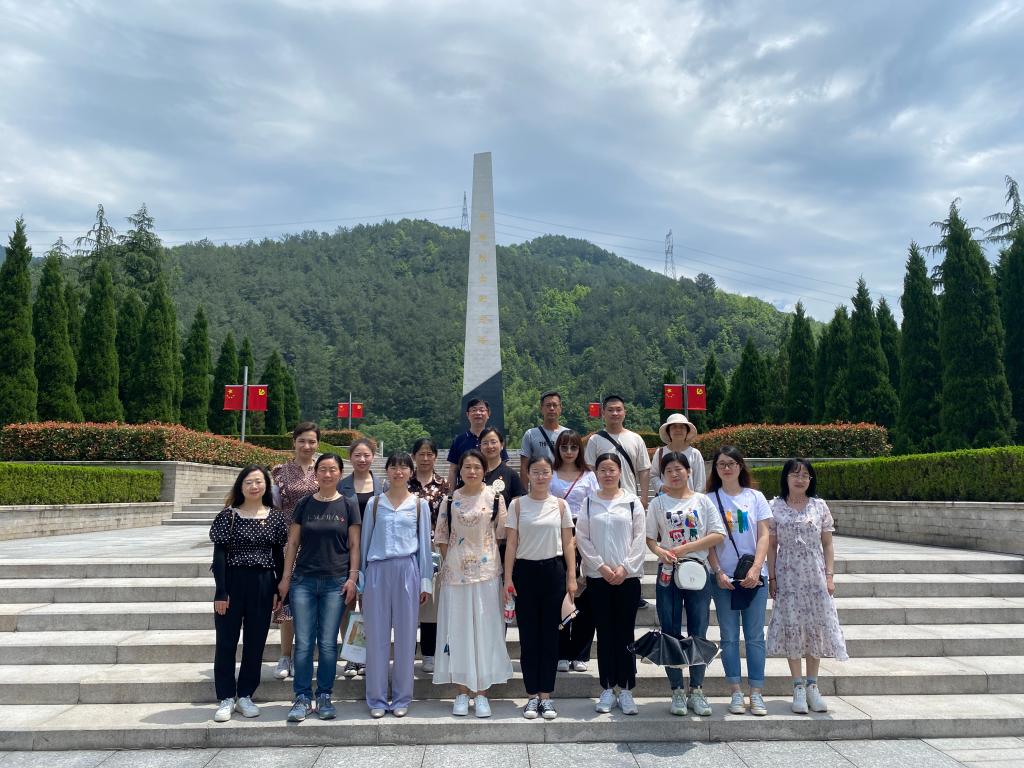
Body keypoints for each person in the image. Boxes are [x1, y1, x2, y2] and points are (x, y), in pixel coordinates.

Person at [278, 453, 361, 722]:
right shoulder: (304, 503)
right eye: (322, 469)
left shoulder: (348, 504)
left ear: (340, 473)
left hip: (335, 582)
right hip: (303, 580)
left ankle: (324, 695)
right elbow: (293, 543)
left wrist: (352, 577)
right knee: (303, 642)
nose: (327, 474)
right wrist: (286, 578)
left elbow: (354, 545)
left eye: (332, 469)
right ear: (316, 473)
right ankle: (302, 697)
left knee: (327, 643)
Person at [433, 449, 513, 717]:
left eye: (477, 467)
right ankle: (461, 691)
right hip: (455, 576)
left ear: (484, 469)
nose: (472, 471)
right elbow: (442, 537)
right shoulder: (450, 499)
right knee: (457, 632)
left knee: (486, 631)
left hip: (487, 574)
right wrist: (455, 561)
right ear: (460, 470)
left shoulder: (495, 498)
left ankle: (481, 693)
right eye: (467, 466)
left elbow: (501, 535)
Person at [645, 451, 725, 716]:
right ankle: (677, 690)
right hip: (668, 572)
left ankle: (697, 690)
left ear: (689, 471)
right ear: (663, 476)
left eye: (679, 469)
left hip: (697, 571)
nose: (674, 474)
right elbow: (650, 539)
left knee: (698, 630)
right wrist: (661, 552)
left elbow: (718, 534)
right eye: (668, 471)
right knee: (669, 631)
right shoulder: (658, 503)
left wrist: (686, 548)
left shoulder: (702, 501)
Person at [767, 459, 848, 714]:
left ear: (811, 480)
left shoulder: (819, 506)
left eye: (805, 475)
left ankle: (813, 685)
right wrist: (772, 578)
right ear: (786, 478)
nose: (800, 479)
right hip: (788, 575)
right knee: (793, 627)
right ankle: (798, 687)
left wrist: (830, 576)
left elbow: (828, 544)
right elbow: (771, 545)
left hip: (815, 574)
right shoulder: (775, 506)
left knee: (816, 628)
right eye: (795, 474)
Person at [209, 465, 288, 723]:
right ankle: (226, 697)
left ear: (266, 485)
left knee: (255, 642)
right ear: (240, 486)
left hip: (263, 584)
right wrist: (221, 592)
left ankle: (245, 695)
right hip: (233, 583)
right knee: (226, 642)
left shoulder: (275, 517)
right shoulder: (228, 516)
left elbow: (277, 556)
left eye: (259, 482)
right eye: (249, 482)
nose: (254, 486)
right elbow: (219, 556)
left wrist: (277, 589)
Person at [359, 452, 433, 718]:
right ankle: (377, 699)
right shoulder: (375, 503)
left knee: (405, 637)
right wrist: (361, 581)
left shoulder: (419, 505)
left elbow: (424, 546)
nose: (398, 472)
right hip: (377, 571)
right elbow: (365, 542)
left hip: (407, 570)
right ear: (387, 471)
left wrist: (425, 582)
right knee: (376, 637)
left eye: (403, 467)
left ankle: (402, 697)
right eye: (393, 467)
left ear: (411, 472)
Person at [504, 455, 576, 720]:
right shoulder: (517, 505)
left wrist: (571, 576)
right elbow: (511, 544)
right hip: (525, 573)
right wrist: (508, 578)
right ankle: (532, 696)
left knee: (550, 637)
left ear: (551, 474)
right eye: (536, 472)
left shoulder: (560, 505)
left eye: (545, 472)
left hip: (553, 572)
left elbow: (568, 543)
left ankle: (547, 696)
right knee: (529, 638)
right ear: (528, 475)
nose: (541, 476)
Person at [576, 453, 646, 716]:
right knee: (604, 634)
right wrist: (601, 567)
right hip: (598, 579)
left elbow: (639, 538)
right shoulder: (589, 502)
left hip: (627, 578)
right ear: (596, 473)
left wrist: (624, 568)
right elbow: (582, 538)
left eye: (612, 469)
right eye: (603, 469)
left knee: (625, 633)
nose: (607, 474)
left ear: (620, 472)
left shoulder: (632, 502)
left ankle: (626, 689)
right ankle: (607, 687)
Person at [706, 445, 773, 717]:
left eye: (732, 463)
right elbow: (708, 542)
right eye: (721, 464)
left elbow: (764, 535)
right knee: (729, 637)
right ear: (716, 469)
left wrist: (756, 568)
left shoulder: (755, 497)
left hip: (755, 578)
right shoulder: (709, 499)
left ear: (740, 466)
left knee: (755, 637)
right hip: (724, 579)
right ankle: (735, 691)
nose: (727, 468)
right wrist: (718, 572)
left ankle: (756, 693)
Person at [269, 421, 321, 681]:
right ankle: (285, 655)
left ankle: (306, 656)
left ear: (317, 444)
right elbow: (275, 506)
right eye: (302, 441)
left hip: (317, 543)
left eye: (311, 441)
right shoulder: (280, 471)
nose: (307, 446)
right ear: (294, 442)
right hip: (288, 542)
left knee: (312, 603)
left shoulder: (323, 469)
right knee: (287, 601)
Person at [549, 429, 599, 673]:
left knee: (585, 596)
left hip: (585, 534)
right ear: (557, 449)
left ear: (580, 450)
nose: (569, 452)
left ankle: (580, 653)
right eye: (564, 447)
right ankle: (560, 651)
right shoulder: (550, 474)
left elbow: (596, 507)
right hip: (556, 535)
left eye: (573, 447)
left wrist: (582, 537)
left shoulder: (589, 476)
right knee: (560, 594)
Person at [338, 436, 383, 677]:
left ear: (373, 457)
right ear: (350, 458)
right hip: (345, 551)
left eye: (366, 455)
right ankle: (350, 657)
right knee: (347, 604)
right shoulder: (341, 486)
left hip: (375, 551)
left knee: (370, 605)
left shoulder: (383, 486)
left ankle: (366, 655)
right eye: (357, 455)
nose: (362, 459)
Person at [408, 437, 450, 675]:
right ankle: (407, 652)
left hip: (434, 547)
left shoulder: (444, 486)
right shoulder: (404, 483)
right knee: (407, 601)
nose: (425, 458)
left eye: (429, 454)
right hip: (407, 547)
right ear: (413, 456)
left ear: (435, 457)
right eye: (421, 454)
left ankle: (429, 653)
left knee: (431, 603)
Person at [583, 395, 651, 509]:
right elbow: (590, 470)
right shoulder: (595, 440)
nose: (615, 413)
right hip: (602, 501)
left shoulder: (636, 439)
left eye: (618, 410)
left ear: (625, 412)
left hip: (630, 499)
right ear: (603, 413)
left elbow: (644, 469)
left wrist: (644, 498)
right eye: (610, 410)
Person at [446, 398, 509, 486]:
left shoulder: (496, 439)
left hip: (493, 489)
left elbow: (503, 467)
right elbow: (453, 470)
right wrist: (450, 492)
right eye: (474, 410)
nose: (478, 413)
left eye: (482, 410)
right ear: (467, 414)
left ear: (488, 414)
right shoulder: (459, 440)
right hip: (466, 490)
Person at [519, 390, 568, 484]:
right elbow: (524, 468)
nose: (552, 408)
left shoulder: (568, 434)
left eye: (555, 405)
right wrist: (523, 491)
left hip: (563, 487)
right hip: (539, 486)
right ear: (541, 408)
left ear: (560, 408)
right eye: (548, 405)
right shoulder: (530, 434)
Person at [651, 414, 706, 495]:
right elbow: (653, 475)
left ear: (687, 431)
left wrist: (696, 498)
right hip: (666, 499)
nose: (678, 430)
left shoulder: (695, 454)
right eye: (674, 427)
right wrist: (661, 486)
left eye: (682, 427)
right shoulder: (660, 452)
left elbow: (700, 481)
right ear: (668, 431)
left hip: (689, 500)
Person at [475, 426, 525, 509]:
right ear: (480, 447)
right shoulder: (473, 473)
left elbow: (517, 508)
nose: (489, 446)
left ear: (502, 445)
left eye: (493, 442)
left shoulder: (511, 475)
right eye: (485, 443)